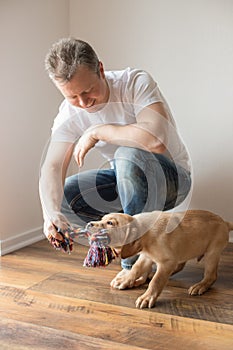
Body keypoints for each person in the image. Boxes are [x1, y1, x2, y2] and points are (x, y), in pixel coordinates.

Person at [39, 38, 192, 273]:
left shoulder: (135, 82)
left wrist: (99, 131)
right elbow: (51, 167)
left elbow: (156, 139)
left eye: (88, 90)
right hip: (126, 183)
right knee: (66, 195)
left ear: (100, 69)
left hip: (172, 179)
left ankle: (134, 266)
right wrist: (51, 216)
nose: (83, 103)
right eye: (72, 96)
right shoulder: (69, 113)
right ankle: (160, 249)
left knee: (127, 154)